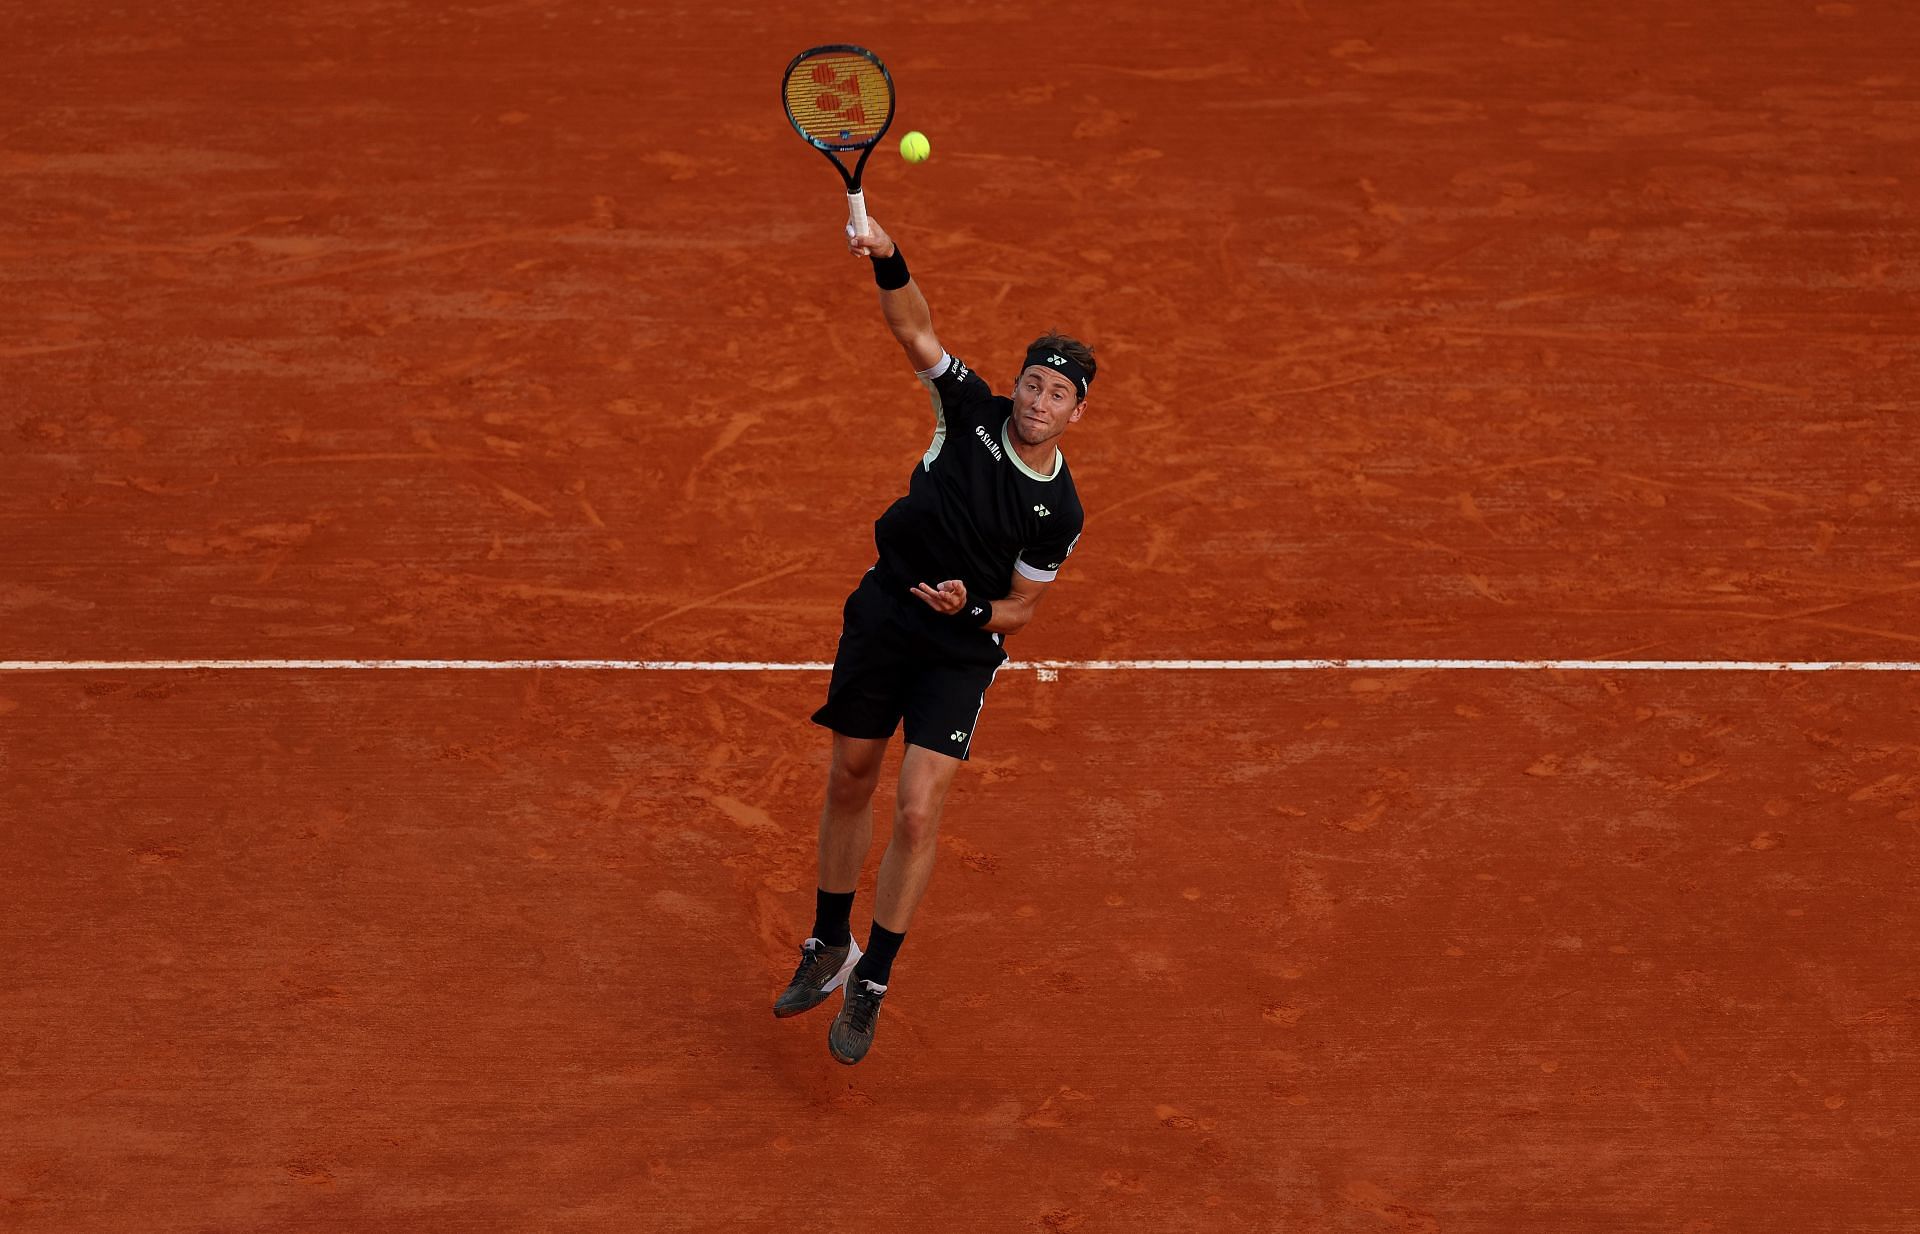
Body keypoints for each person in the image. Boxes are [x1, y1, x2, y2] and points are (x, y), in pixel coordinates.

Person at [772, 216, 1095, 1065]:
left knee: (916, 810)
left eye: (1056, 394)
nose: (1036, 401)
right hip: (885, 613)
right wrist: (889, 257)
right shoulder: (968, 410)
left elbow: (1022, 608)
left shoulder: (1058, 513)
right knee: (850, 774)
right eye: (1031, 384)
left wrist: (972, 610)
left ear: (1077, 413)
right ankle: (827, 942)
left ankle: (873, 979)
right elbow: (914, 327)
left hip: (959, 649)